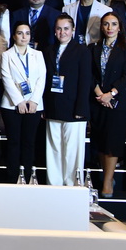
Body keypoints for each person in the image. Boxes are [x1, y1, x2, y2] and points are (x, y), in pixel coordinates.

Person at [41, 14, 92, 185]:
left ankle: (72, 185)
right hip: (53, 106)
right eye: (59, 28)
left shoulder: (82, 51)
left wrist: (81, 109)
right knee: (53, 148)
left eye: (66, 29)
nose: (62, 32)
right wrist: (45, 107)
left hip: (74, 108)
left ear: (73, 30)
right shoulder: (48, 50)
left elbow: (85, 82)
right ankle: (54, 184)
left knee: (72, 150)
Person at [90, 12, 126, 197]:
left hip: (119, 101)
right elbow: (89, 73)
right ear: (101, 27)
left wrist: (111, 94)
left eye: (114, 24)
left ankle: (108, 181)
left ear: (119, 27)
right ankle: (105, 176)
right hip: (98, 100)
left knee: (113, 141)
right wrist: (100, 94)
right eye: (106, 24)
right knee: (100, 140)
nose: (110, 28)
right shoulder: (93, 47)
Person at [0, 22, 46, 186]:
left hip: (34, 105)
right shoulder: (7, 55)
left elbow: (42, 78)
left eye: (27, 33)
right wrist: (19, 101)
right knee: (13, 142)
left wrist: (34, 100)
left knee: (29, 142)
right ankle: (12, 178)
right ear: (14, 36)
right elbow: (6, 78)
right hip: (11, 105)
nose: (24, 36)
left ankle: (27, 177)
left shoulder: (38, 54)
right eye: (20, 33)